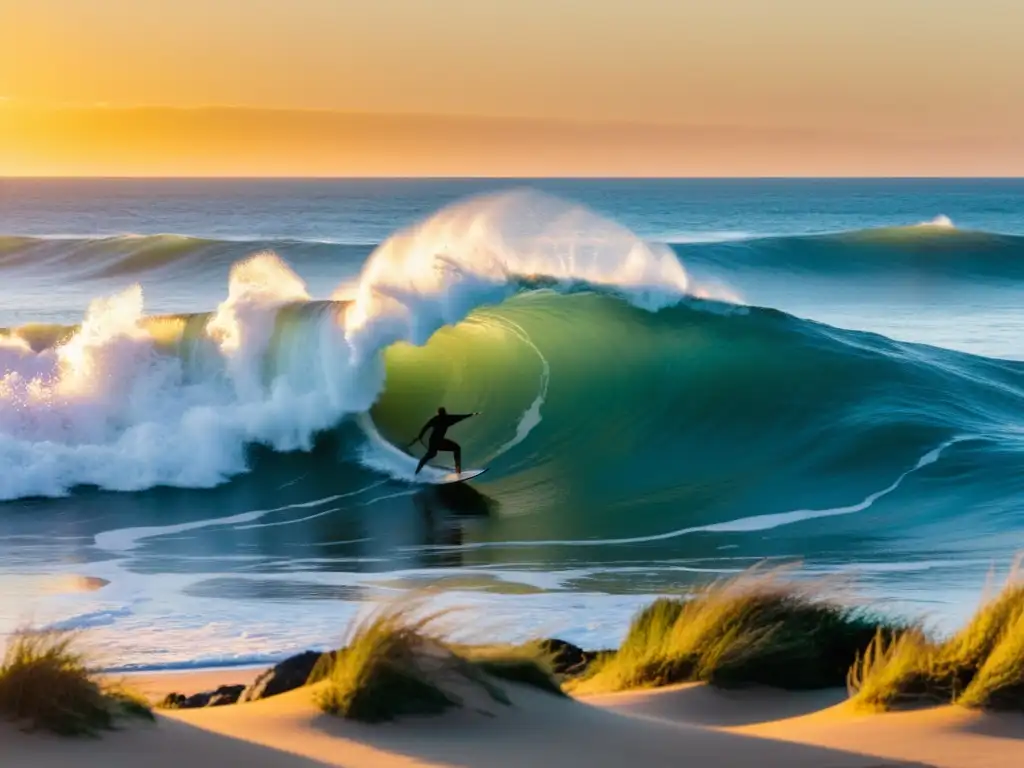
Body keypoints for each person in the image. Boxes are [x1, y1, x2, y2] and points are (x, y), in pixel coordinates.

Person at [409, 407, 480, 475]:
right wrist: (472, 414)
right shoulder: (446, 418)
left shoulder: (436, 419)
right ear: (444, 412)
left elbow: (425, 428)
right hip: (437, 441)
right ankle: (458, 470)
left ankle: (417, 471)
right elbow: (459, 417)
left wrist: (419, 437)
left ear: (439, 413)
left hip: (435, 441)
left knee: (431, 454)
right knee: (455, 448)